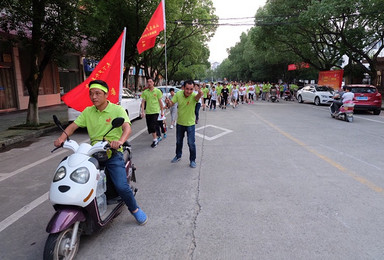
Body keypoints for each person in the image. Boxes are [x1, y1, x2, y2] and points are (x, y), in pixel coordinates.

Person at [53, 80, 147, 225]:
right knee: (78, 177)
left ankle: (135, 209)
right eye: (91, 94)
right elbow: (73, 126)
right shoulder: (88, 111)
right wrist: (61, 138)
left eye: (98, 93)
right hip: (93, 153)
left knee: (122, 186)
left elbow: (127, 128)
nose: (94, 97)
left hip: (112, 153)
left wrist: (120, 142)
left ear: (106, 94)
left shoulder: (117, 110)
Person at [165, 80, 203, 168]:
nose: (189, 91)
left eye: (191, 89)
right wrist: (168, 102)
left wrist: (200, 94)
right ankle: (178, 155)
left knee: (191, 143)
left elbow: (197, 98)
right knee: (179, 142)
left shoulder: (194, 95)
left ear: (193, 89)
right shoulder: (178, 94)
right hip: (180, 124)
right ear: (183, 88)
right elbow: (171, 104)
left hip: (190, 124)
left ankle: (192, 160)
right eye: (187, 89)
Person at [140, 78, 164, 148]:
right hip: (148, 112)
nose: (149, 83)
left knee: (153, 125)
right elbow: (143, 102)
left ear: (153, 83)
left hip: (155, 111)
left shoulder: (157, 91)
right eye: (148, 82)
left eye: (150, 81)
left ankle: (155, 140)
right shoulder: (145, 92)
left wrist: (162, 111)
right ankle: (156, 136)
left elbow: (160, 102)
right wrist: (142, 112)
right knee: (150, 127)